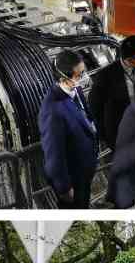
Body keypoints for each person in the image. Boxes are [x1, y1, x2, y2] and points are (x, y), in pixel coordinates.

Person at [39, 49, 99, 209]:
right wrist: (64, 188)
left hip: (84, 172)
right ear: (63, 78)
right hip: (73, 180)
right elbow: (54, 155)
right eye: (79, 75)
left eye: (84, 72)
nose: (84, 77)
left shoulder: (75, 90)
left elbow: (85, 116)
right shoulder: (52, 110)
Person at [89, 35, 135, 152]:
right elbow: (95, 108)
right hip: (122, 135)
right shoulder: (105, 77)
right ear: (131, 58)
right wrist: (106, 137)